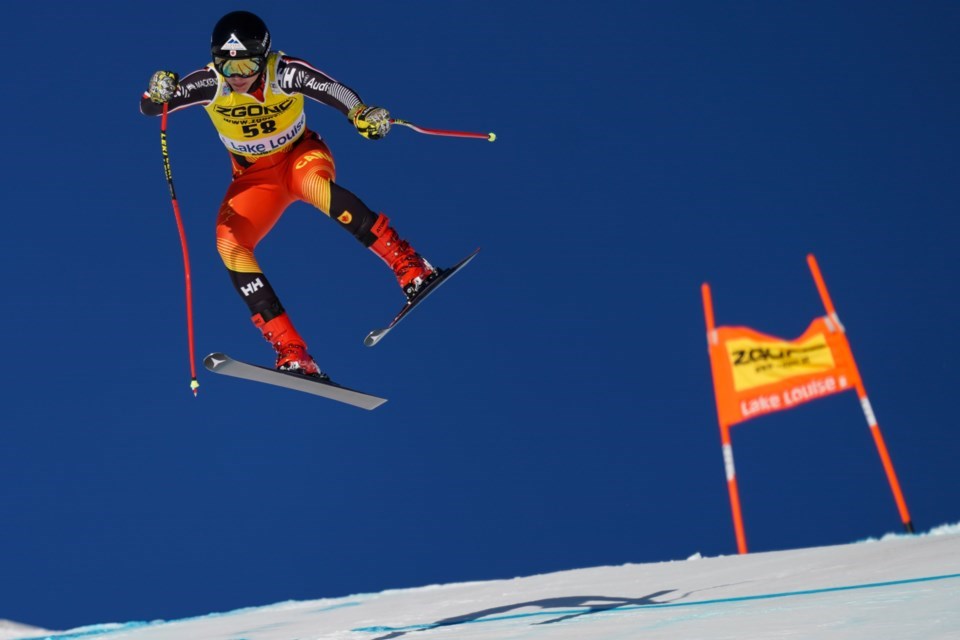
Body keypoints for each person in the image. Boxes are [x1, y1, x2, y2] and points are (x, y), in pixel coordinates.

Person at [141, 10, 437, 379]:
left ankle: (410, 267)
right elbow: (153, 107)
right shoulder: (211, 82)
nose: (238, 78)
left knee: (314, 187)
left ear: (263, 57)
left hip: (300, 156)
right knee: (228, 243)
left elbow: (332, 90)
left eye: (248, 65)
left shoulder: (284, 72)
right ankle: (292, 351)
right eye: (228, 67)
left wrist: (360, 113)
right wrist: (159, 91)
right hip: (255, 178)